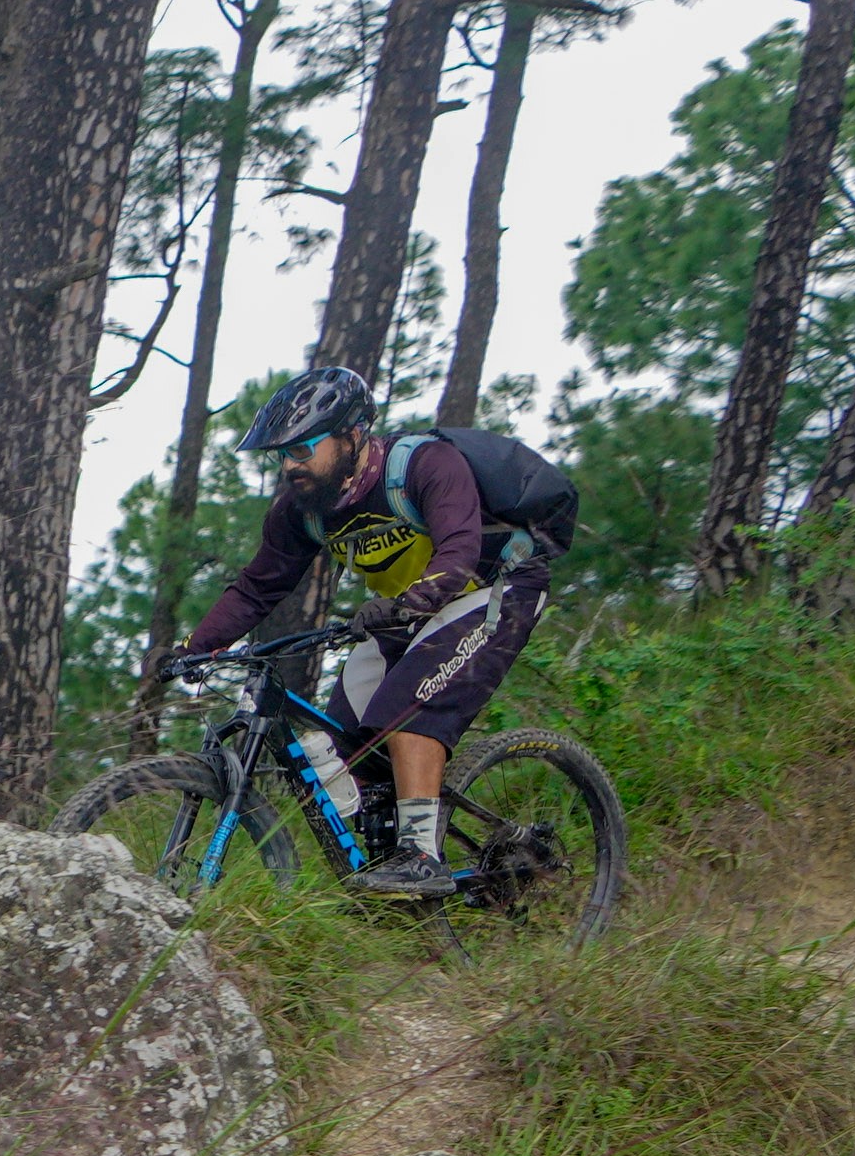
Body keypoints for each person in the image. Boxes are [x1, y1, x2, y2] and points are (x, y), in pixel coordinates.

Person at [168, 364, 580, 876]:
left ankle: (421, 857)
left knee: (406, 707)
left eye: (300, 450)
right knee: (346, 739)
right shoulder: (303, 512)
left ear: (352, 436)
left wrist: (410, 602)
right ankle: (389, 870)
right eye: (280, 455)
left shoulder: (425, 464)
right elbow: (257, 587)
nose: (289, 467)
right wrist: (193, 647)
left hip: (495, 588)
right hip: (409, 611)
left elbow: (459, 551)